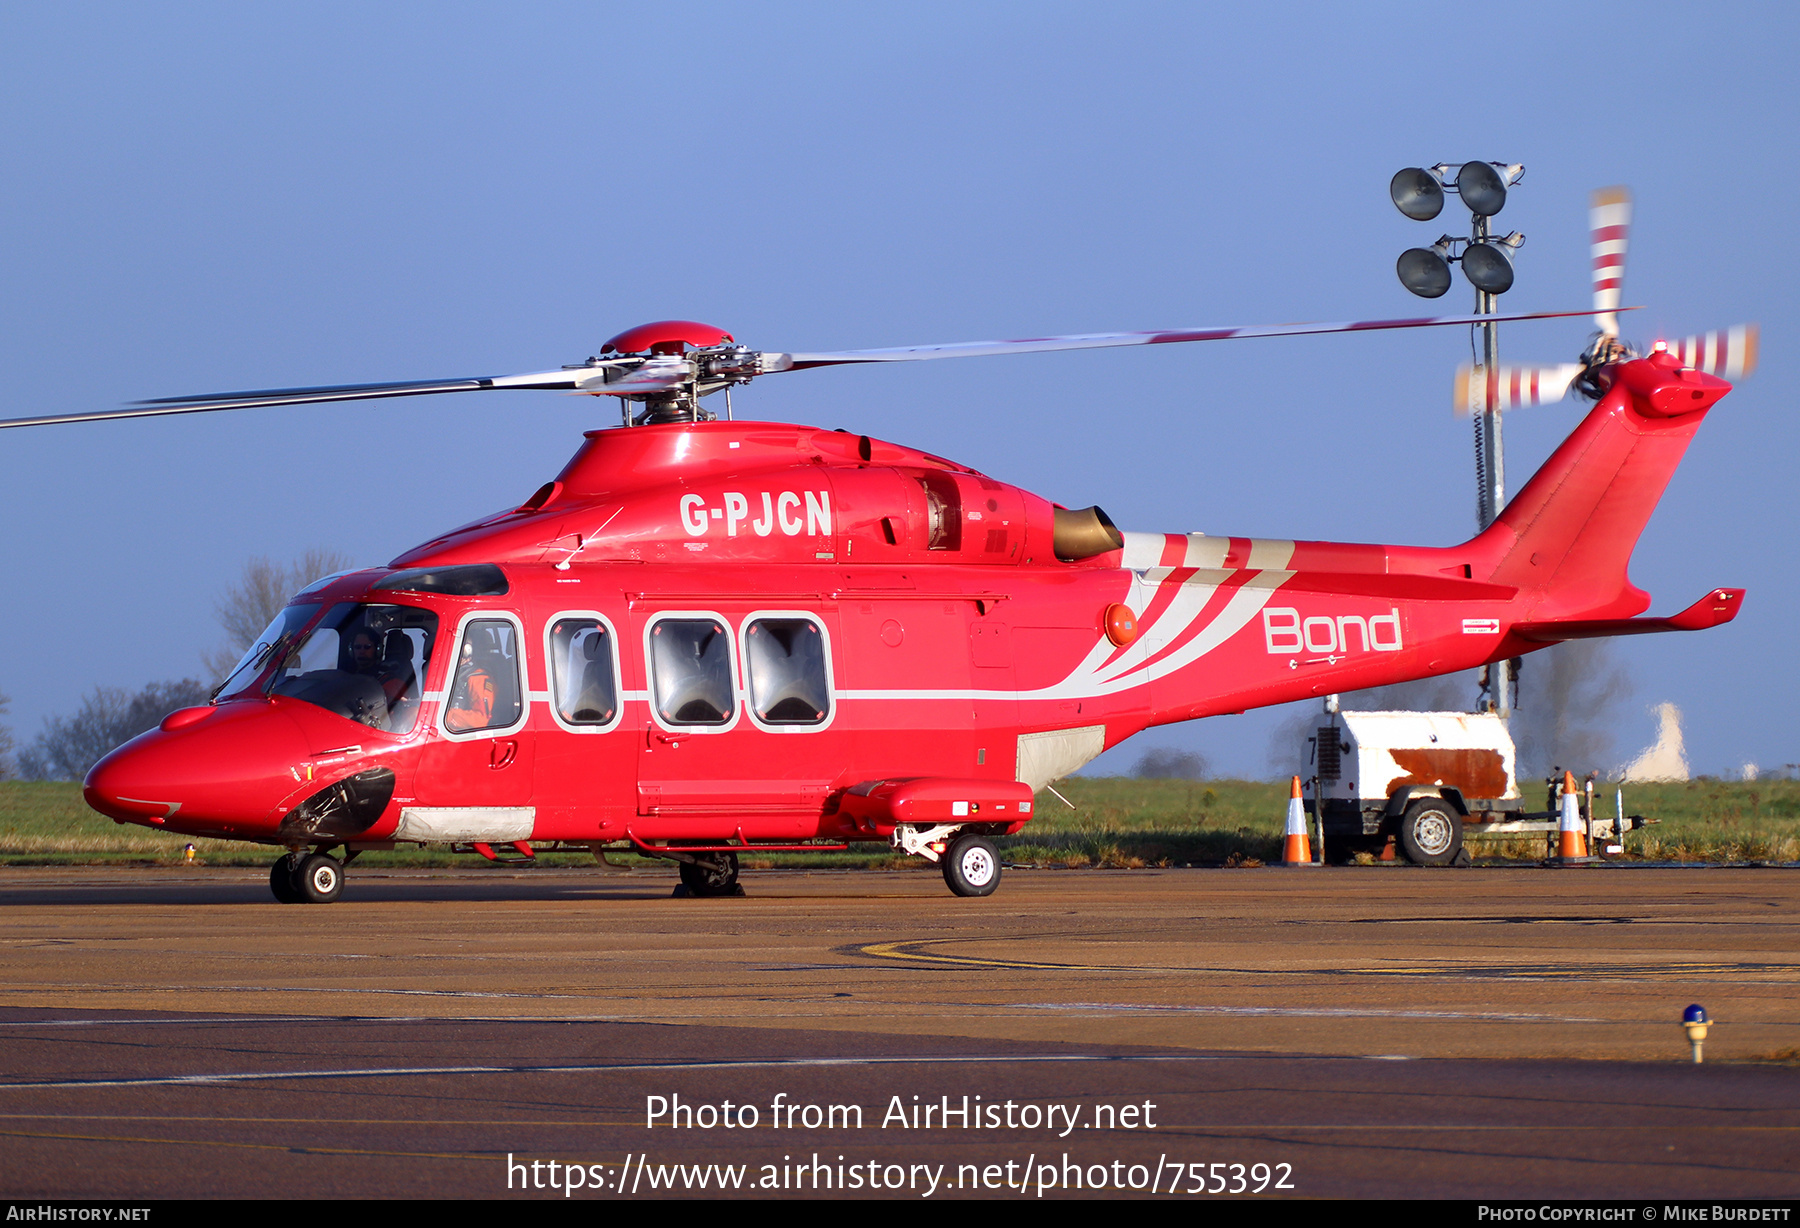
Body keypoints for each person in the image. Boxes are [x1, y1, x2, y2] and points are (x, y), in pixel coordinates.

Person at [444, 635, 497, 732]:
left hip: (460, 736)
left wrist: (444, 715)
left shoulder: (479, 678)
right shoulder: (450, 676)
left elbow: (480, 720)